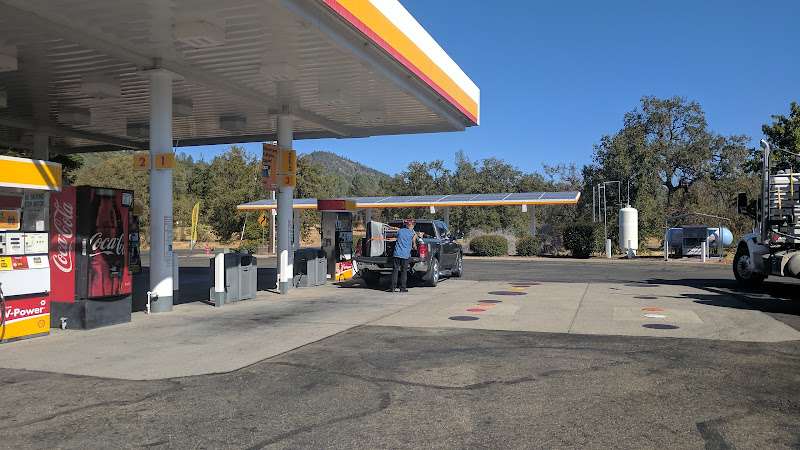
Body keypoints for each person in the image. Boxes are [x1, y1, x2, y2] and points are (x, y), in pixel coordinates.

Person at [389, 219, 417, 293]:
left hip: (397, 254)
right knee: (404, 272)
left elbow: (395, 236)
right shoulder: (413, 234)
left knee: (395, 271)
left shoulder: (400, 231)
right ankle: (402, 288)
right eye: (413, 225)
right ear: (412, 226)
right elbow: (414, 245)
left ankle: (392, 288)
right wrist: (414, 246)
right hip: (405, 255)